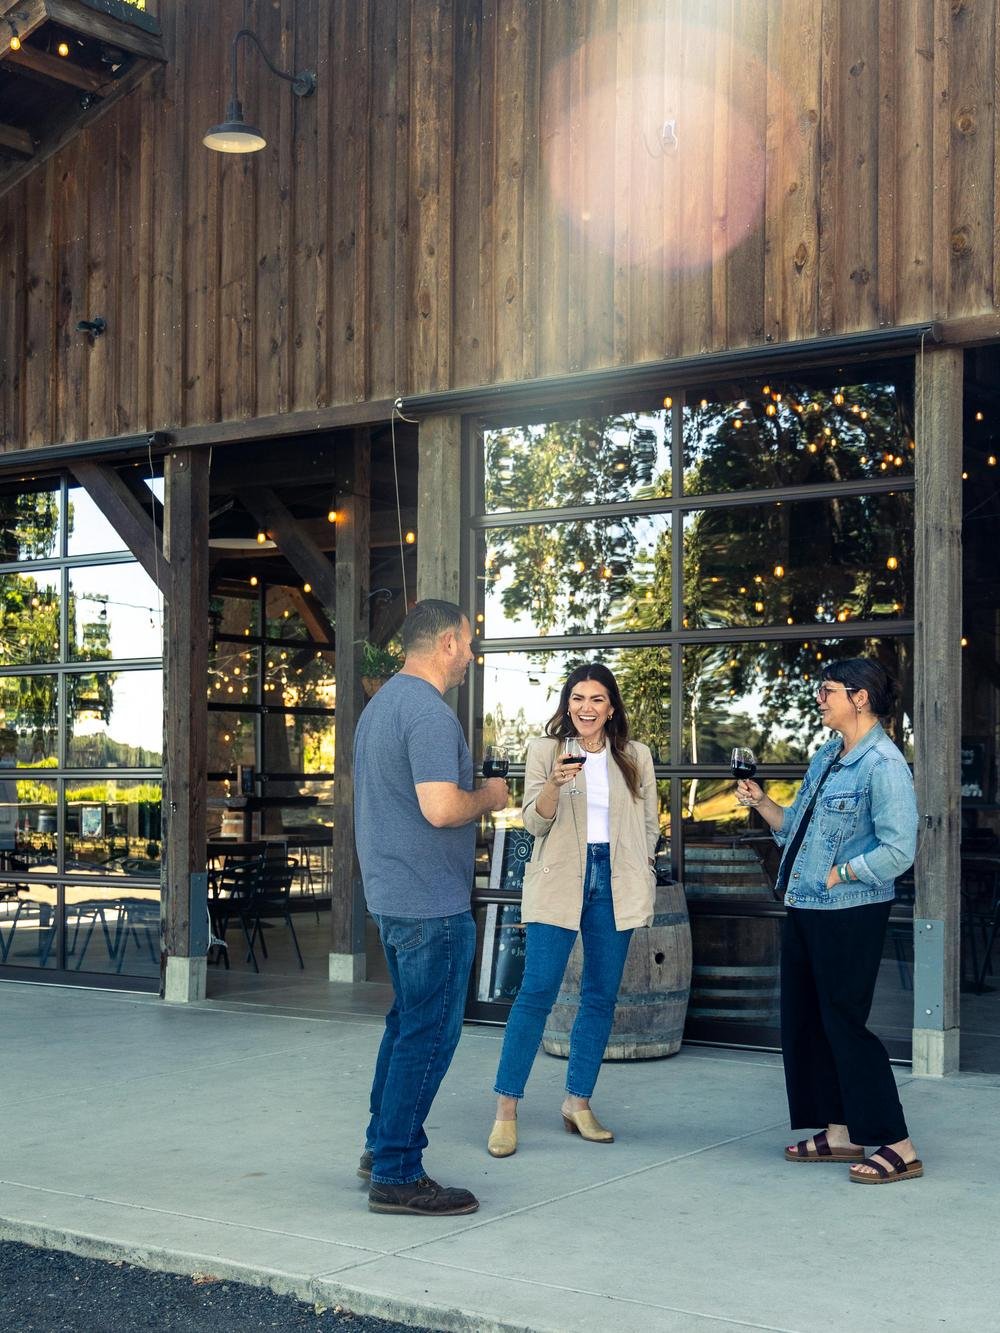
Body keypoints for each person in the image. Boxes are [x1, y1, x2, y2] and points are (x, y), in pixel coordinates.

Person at [736, 657, 922, 1184]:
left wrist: (844, 872)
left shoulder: (883, 764)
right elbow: (798, 828)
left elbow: (899, 850)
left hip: (849, 912)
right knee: (810, 1024)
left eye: (828, 691)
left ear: (859, 697)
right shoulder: (828, 756)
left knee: (846, 1025)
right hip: (807, 906)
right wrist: (764, 804)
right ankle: (840, 1131)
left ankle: (899, 1145)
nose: (820, 699)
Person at [354, 599, 508, 1215]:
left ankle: (379, 1148)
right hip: (430, 905)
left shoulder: (380, 707)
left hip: (394, 899)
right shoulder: (429, 713)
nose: (471, 655)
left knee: (404, 1028)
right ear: (446, 643)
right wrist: (491, 797)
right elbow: (442, 808)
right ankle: (396, 1172)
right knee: (427, 1035)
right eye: (468, 643)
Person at [487, 663, 659, 1158]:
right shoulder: (546, 752)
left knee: (601, 995)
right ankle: (506, 1110)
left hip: (615, 879)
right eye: (578, 698)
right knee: (536, 992)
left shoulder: (634, 756)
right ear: (567, 705)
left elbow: (649, 821)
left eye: (598, 699)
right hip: (561, 876)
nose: (587, 708)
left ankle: (577, 1102)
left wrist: (644, 863)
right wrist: (554, 786)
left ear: (611, 708)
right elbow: (533, 825)